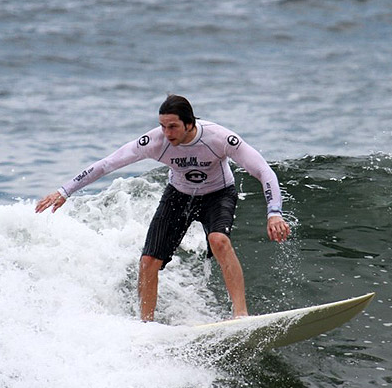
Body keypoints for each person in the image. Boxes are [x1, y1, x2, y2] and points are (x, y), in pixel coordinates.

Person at [35, 95, 290, 321]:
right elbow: (107, 164)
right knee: (148, 261)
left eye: (173, 126)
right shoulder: (155, 141)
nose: (167, 133)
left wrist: (274, 212)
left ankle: (240, 314)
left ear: (189, 123)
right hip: (178, 196)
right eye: (163, 126)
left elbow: (263, 170)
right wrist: (64, 191)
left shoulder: (219, 138)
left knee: (218, 240)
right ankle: (146, 325)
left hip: (218, 194)